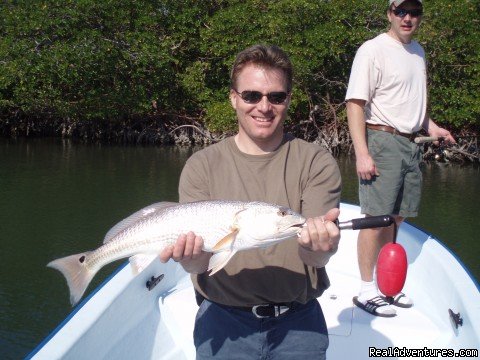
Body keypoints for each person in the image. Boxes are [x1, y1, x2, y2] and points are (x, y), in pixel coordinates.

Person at [159, 44, 342, 359]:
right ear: (233, 98)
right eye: (251, 95)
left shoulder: (316, 162)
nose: (264, 106)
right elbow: (200, 264)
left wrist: (321, 249)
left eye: (276, 96)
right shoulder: (201, 166)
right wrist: (188, 259)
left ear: (288, 100)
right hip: (222, 323)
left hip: (300, 324)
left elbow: (314, 259)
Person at [345, 0, 455, 317]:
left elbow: (413, 105)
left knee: (399, 216)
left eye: (414, 12)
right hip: (382, 140)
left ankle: (387, 284)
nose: (407, 18)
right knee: (375, 217)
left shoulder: (417, 52)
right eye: (400, 11)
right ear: (389, 14)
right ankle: (367, 290)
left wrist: (433, 127)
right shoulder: (373, 49)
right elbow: (355, 103)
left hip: (411, 144)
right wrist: (362, 152)